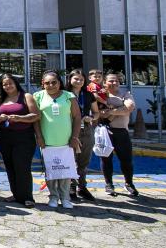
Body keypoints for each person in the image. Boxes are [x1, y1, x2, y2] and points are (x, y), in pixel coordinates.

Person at [33, 70, 82, 209]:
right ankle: (53, 196)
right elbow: (36, 120)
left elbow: (77, 117)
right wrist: (39, 137)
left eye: (54, 82)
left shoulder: (69, 96)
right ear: (43, 84)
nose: (51, 85)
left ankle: (65, 197)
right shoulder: (38, 96)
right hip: (47, 141)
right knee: (51, 171)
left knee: (65, 171)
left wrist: (74, 137)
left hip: (66, 141)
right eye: (47, 83)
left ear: (59, 83)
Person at [0, 74, 40, 207]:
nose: (7, 86)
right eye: (4, 84)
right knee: (10, 165)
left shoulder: (26, 96)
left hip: (24, 136)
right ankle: (16, 194)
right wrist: (0, 118)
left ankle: (27, 197)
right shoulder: (1, 99)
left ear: (16, 83)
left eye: (10, 83)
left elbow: (36, 115)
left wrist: (19, 118)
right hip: (5, 136)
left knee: (22, 166)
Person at [99, 71, 138, 197]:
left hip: (122, 131)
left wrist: (110, 112)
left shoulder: (125, 94)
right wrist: (119, 110)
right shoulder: (101, 95)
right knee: (106, 160)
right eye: (110, 80)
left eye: (116, 81)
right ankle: (109, 184)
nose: (114, 83)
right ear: (105, 83)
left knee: (126, 160)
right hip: (105, 132)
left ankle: (129, 183)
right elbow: (98, 113)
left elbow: (129, 108)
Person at [66, 69, 100, 201]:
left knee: (84, 160)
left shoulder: (88, 95)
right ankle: (71, 187)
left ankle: (82, 187)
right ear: (70, 80)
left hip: (86, 130)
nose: (79, 81)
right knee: (70, 159)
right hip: (69, 129)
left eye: (81, 79)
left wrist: (91, 118)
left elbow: (96, 112)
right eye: (76, 79)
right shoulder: (64, 94)